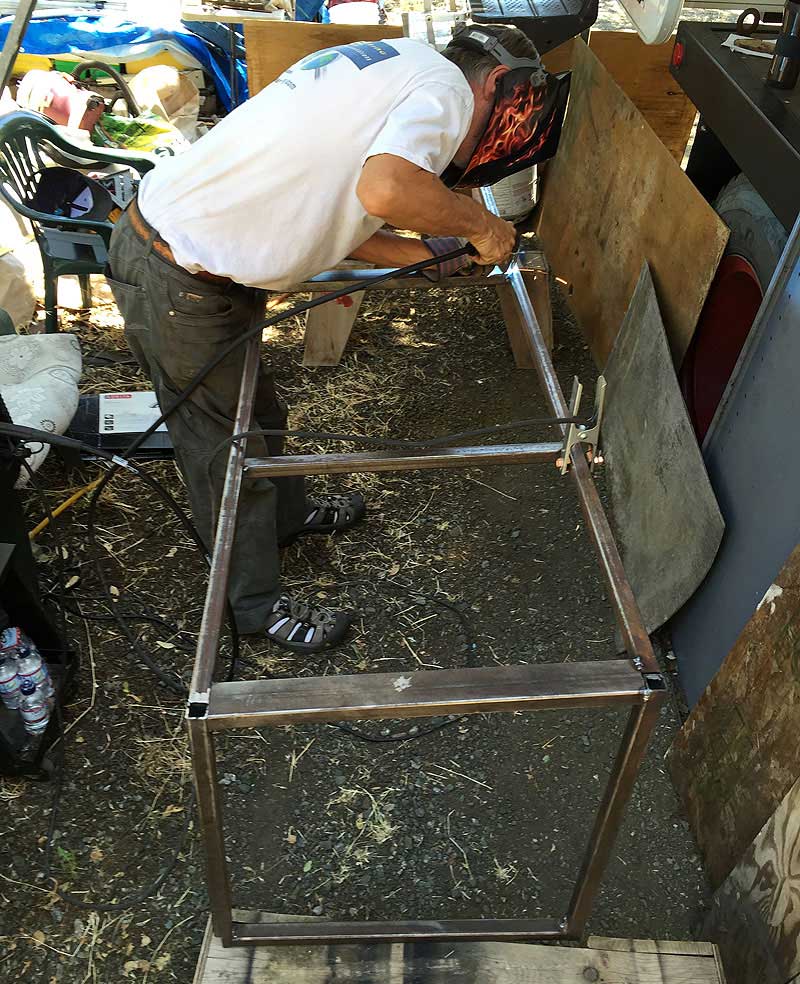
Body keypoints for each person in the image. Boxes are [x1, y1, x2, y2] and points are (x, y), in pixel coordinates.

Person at [107, 24, 546, 655]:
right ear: (497, 85)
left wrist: (427, 254)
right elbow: (387, 189)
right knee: (225, 452)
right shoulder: (448, 90)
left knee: (261, 413)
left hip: (198, 258)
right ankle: (253, 607)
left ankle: (287, 520)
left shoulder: (401, 70)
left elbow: (345, 218)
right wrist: (479, 225)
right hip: (180, 272)